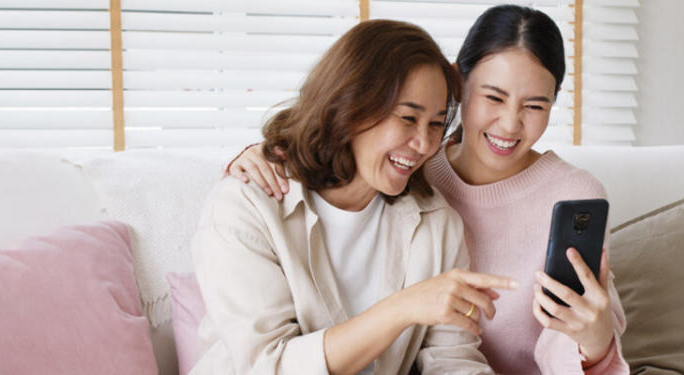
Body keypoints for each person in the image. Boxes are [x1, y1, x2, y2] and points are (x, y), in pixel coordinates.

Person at [226, 5, 629, 374]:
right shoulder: (410, 177)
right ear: (459, 83)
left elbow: (456, 355)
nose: (509, 124)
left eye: (535, 106)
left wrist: (594, 340)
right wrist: (266, 153)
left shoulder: (437, 208)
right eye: (493, 96)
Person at [191, 20, 518, 375]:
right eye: (408, 118)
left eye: (436, 124)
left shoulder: (437, 223)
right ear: (349, 107)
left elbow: (452, 361)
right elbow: (269, 366)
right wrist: (402, 308)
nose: (425, 145)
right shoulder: (247, 207)